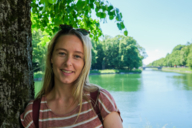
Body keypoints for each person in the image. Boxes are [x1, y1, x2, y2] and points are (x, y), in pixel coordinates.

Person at [20, 25, 123, 128]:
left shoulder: (100, 100)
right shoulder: (33, 113)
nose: (68, 62)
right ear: (51, 57)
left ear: (84, 62)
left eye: (77, 56)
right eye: (62, 53)